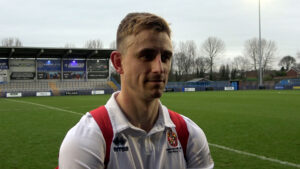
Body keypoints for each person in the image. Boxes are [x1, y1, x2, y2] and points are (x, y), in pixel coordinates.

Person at [58, 12, 214, 169]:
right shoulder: (85, 140)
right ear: (118, 63)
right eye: (147, 56)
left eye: (166, 57)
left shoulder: (189, 134)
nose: (159, 68)